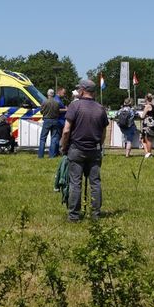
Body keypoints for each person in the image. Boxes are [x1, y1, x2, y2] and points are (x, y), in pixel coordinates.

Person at [60, 79, 109, 222]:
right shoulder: (101, 108)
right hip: (94, 150)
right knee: (95, 183)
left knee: (75, 183)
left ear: (82, 90)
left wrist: (64, 147)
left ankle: (74, 216)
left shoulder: (75, 106)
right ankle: (95, 215)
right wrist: (98, 145)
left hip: (76, 149)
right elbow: (104, 133)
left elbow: (66, 131)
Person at [38, 88, 61, 158]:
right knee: (54, 138)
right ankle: (52, 155)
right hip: (55, 121)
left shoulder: (44, 102)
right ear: (53, 94)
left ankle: (41, 155)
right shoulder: (57, 103)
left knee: (43, 138)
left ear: (48, 94)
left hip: (47, 120)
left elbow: (41, 111)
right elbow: (58, 112)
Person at [139, 93, 154, 158]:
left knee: (147, 139)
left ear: (146, 99)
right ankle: (147, 153)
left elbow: (143, 116)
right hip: (151, 122)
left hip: (147, 123)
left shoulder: (147, 106)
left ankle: (148, 153)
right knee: (145, 138)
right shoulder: (152, 105)